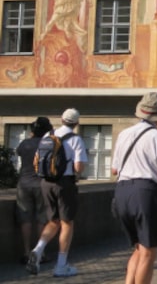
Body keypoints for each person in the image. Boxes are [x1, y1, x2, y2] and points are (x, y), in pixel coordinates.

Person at [111, 92, 157, 284]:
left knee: (139, 248)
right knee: (149, 251)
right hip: (146, 193)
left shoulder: (124, 134)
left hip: (122, 192)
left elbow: (114, 169)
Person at [27, 107, 88, 277]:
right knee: (67, 223)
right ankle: (61, 265)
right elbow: (78, 167)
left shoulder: (48, 136)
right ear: (76, 123)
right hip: (64, 183)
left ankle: (38, 250)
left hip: (45, 182)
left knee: (53, 220)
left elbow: (36, 161)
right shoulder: (76, 139)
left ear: (61, 119)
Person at [16, 117, 51, 265]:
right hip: (41, 184)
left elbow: (19, 153)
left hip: (24, 184)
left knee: (25, 219)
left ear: (32, 131)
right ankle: (39, 254)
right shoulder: (47, 144)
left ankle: (26, 252)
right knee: (41, 219)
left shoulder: (24, 144)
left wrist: (31, 138)